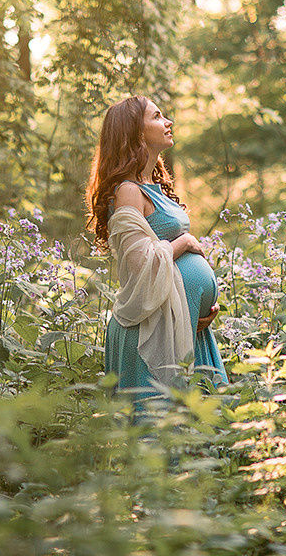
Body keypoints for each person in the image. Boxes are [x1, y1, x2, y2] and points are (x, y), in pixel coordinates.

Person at [85, 95, 227, 404]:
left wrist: (200, 307)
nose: (168, 122)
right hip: (149, 332)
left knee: (199, 430)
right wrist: (185, 242)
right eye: (158, 117)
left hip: (182, 325)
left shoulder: (155, 187)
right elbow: (140, 266)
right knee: (159, 433)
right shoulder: (127, 191)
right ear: (136, 133)